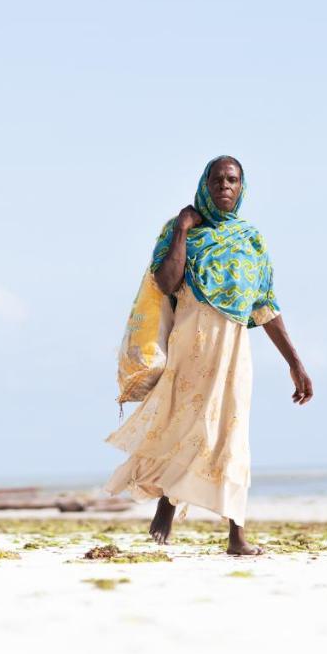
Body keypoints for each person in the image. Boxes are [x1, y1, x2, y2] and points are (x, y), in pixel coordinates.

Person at [104, 156, 313, 555]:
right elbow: (165, 281)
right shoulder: (181, 230)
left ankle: (236, 535)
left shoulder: (251, 241)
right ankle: (167, 503)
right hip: (190, 351)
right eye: (217, 180)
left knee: (232, 438)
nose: (224, 187)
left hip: (234, 355)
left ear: (242, 186)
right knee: (185, 428)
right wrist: (183, 228)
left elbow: (264, 307)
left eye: (232, 180)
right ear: (205, 184)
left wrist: (295, 364)